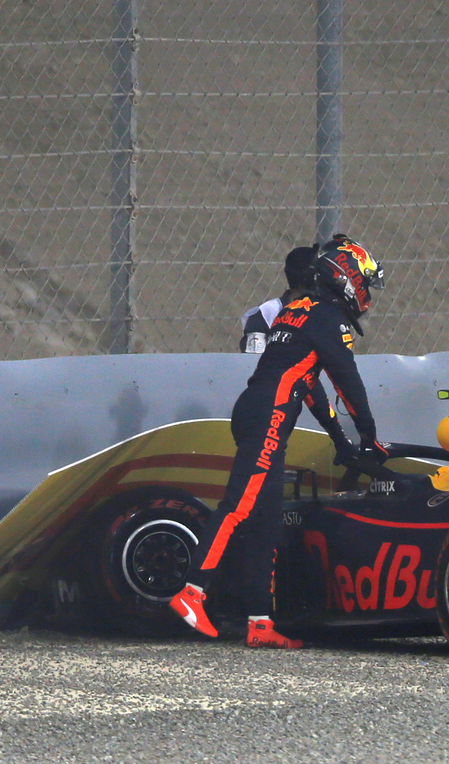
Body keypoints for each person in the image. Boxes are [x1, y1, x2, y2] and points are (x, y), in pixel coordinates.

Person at [172, 234, 388, 648]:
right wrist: (369, 436)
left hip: (257, 411)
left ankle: (260, 622)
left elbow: (309, 385)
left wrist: (341, 440)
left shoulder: (297, 310)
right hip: (269, 417)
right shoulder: (330, 319)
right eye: (364, 284)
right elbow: (346, 383)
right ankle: (191, 592)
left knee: (266, 521)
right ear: (345, 279)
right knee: (238, 507)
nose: (367, 295)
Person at [239, 244, 355, 464]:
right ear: (310, 277)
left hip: (295, 407)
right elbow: (251, 368)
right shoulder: (266, 314)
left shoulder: (323, 315)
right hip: (265, 413)